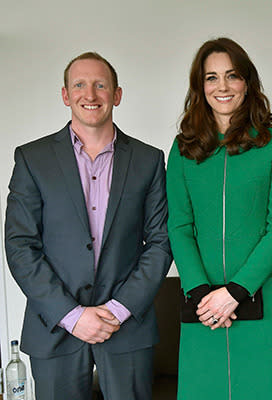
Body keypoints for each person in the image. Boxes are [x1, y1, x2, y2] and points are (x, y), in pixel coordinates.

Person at [4, 52, 172, 400]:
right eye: (79, 85)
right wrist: (71, 315)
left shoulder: (149, 159)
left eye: (100, 85)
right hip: (54, 326)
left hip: (127, 327)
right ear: (66, 95)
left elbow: (160, 242)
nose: (90, 95)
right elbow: (20, 244)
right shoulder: (32, 159)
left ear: (117, 94)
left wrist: (117, 310)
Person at [166, 37, 272, 400]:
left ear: (248, 82)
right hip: (203, 306)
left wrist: (237, 291)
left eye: (232, 76)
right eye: (211, 78)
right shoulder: (183, 150)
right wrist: (202, 294)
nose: (222, 87)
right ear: (200, 87)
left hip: (263, 298)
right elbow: (180, 228)